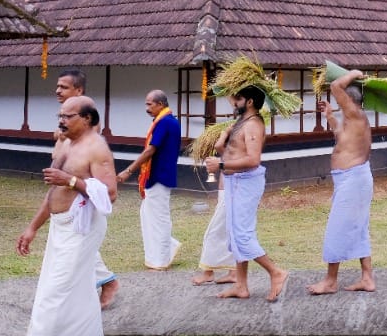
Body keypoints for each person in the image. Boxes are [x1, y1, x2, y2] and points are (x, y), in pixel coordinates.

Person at [5, 96, 116, 336]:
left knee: (54, 291)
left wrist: (70, 181)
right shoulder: (64, 144)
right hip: (60, 224)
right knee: (77, 290)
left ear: (88, 119)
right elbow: (52, 191)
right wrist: (32, 228)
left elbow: (110, 193)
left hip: (83, 228)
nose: (61, 120)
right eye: (61, 115)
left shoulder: (97, 149)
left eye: (69, 116)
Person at [26, 70, 119, 307]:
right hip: (60, 212)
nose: (58, 91)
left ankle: (107, 281)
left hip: (78, 209)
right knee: (66, 281)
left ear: (79, 91)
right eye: (57, 87)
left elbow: (105, 190)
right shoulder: (67, 129)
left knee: (61, 286)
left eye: (64, 87)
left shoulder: (89, 136)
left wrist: (69, 179)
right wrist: (33, 227)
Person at [204, 85, 288, 301]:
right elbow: (233, 153)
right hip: (234, 181)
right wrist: (221, 143)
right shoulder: (241, 122)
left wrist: (221, 165)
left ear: (249, 102)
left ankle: (276, 272)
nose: (233, 102)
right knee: (234, 233)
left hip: (246, 182)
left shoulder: (253, 125)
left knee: (242, 234)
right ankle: (241, 286)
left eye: (238, 98)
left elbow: (252, 160)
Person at [308, 68, 376, 295]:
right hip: (352, 179)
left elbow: (336, 86)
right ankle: (367, 278)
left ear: (350, 101)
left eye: (341, 101)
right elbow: (341, 137)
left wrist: (354, 72)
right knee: (359, 227)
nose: (338, 103)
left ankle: (330, 280)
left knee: (337, 227)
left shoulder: (356, 114)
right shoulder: (352, 121)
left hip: (353, 179)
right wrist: (329, 116)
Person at [117, 90, 182, 269]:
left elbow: (150, 150)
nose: (147, 108)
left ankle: (161, 258)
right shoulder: (168, 121)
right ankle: (166, 249)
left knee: (158, 217)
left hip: (160, 175)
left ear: (160, 104)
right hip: (159, 174)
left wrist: (128, 170)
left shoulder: (165, 122)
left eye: (149, 104)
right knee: (149, 215)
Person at [191, 123, 236, 286]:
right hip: (227, 194)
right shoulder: (232, 152)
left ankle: (208, 273)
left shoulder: (231, 151)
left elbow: (218, 145)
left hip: (229, 195)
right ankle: (233, 272)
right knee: (230, 234)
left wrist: (225, 132)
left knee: (213, 233)